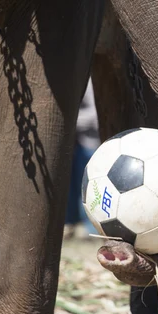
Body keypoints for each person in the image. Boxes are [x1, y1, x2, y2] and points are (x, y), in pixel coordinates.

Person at [64, 79, 100, 239]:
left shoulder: (91, 81)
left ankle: (91, 228)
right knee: (72, 187)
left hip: (91, 143)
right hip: (76, 143)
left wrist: (69, 121)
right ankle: (69, 224)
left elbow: (94, 114)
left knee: (89, 187)